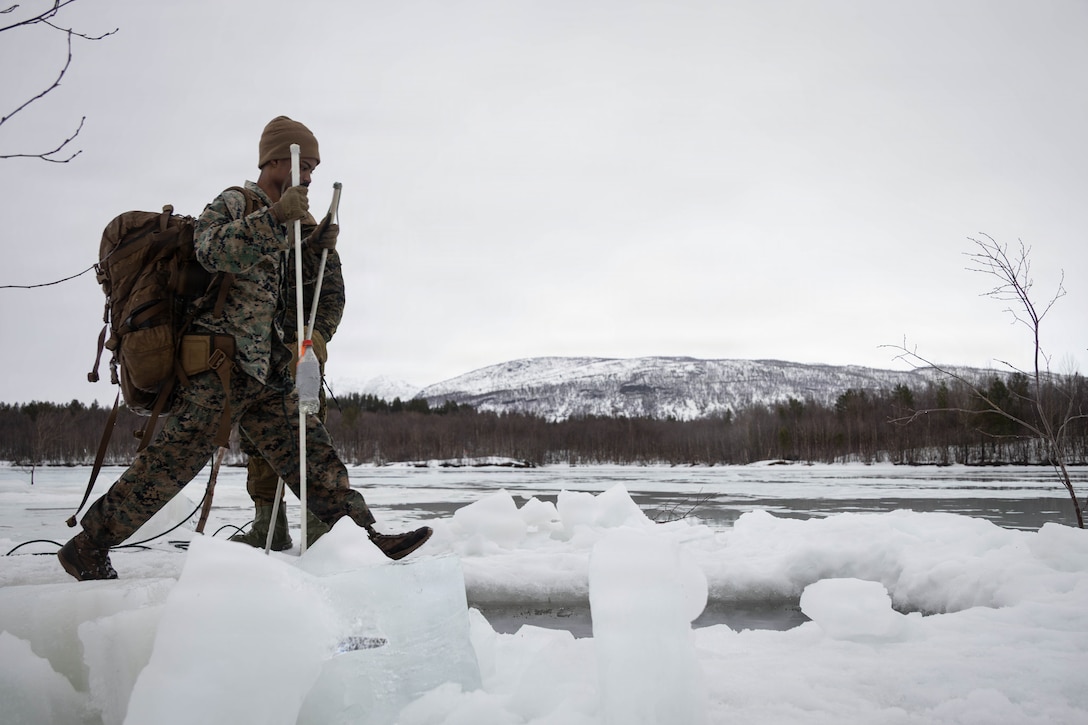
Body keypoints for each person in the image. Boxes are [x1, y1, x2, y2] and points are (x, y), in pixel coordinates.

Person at [58, 116, 431, 580]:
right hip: (219, 367)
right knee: (168, 466)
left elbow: (304, 299)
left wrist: (315, 251)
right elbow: (210, 250)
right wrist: (275, 220)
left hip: (267, 373)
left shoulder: (295, 221)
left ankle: (363, 539)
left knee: (312, 455)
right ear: (274, 160)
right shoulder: (235, 202)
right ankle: (89, 545)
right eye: (304, 165)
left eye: (314, 168)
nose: (309, 176)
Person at [231, 210, 342, 551]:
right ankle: (269, 529)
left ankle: (318, 532)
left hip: (304, 354)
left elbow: (332, 299)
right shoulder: (262, 234)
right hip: (259, 357)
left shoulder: (321, 250)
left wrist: (317, 338)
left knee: (308, 436)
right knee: (259, 441)